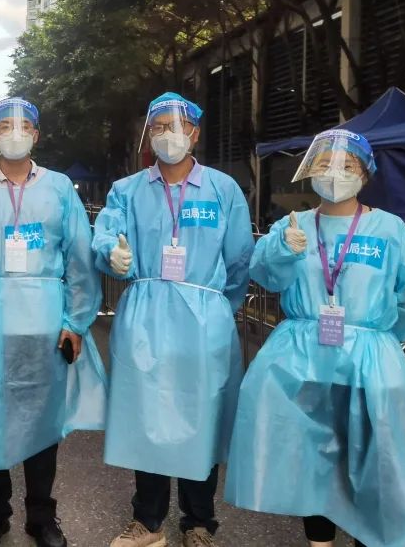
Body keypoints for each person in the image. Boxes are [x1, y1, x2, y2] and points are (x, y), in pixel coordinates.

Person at [225, 129, 405, 547]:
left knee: (374, 455)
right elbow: (264, 274)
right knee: (312, 456)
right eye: (324, 163)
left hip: (368, 363)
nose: (335, 172)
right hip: (303, 359)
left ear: (365, 173)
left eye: (347, 164)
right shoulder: (294, 226)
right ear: (309, 171)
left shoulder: (388, 229)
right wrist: (282, 249)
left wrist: (381, 337)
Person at [0, 97, 107, 547]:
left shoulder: (59, 187)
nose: (15, 132)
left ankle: (41, 515)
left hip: (44, 321)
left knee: (41, 420)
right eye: (5, 125)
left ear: (36, 133)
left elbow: (79, 257)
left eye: (24, 125)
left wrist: (76, 321)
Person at [93, 92, 254, 547]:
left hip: (204, 317)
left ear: (195, 134)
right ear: (149, 134)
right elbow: (106, 234)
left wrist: (218, 307)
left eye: (177, 126)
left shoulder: (222, 189)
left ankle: (199, 523)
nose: (168, 134)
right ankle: (148, 522)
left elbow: (239, 258)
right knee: (148, 417)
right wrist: (112, 254)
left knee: (202, 419)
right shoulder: (128, 190)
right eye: (159, 126)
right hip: (145, 315)